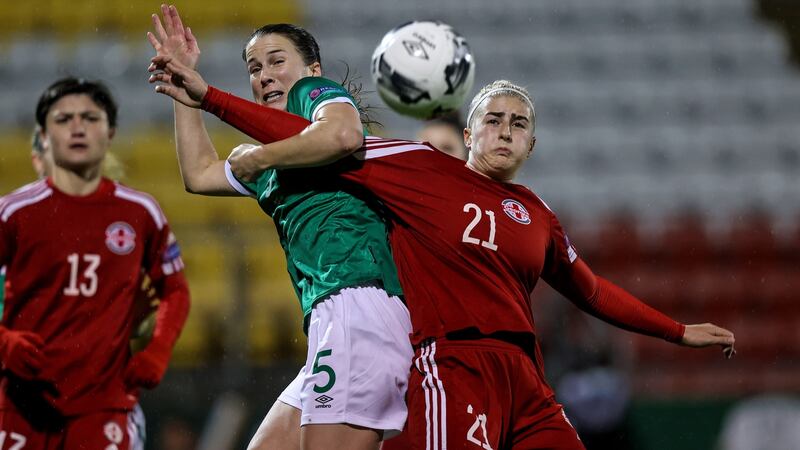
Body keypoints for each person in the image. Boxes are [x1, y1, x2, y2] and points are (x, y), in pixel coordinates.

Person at [152, 50, 737, 447]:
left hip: (527, 378)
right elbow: (321, 138)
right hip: (448, 364)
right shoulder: (421, 170)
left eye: (519, 123)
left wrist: (676, 330)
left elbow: (589, 289)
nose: (505, 130)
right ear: (469, 133)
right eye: (493, 119)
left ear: (534, 142)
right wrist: (209, 98)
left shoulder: (536, 214)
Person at [146, 6, 412, 450]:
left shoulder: (314, 96)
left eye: (276, 61)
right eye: (254, 68)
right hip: (330, 319)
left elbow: (344, 136)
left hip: (357, 304)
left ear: (312, 68)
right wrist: (181, 88)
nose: (264, 75)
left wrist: (262, 155)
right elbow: (198, 174)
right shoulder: (277, 155)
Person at [0, 77, 190, 449]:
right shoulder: (13, 213)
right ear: (43, 135)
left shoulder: (140, 212)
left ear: (111, 132)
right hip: (21, 403)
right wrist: (3, 341)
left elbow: (175, 289)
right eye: (63, 119)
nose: (77, 128)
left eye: (90, 118)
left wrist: (158, 350)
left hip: (105, 404)